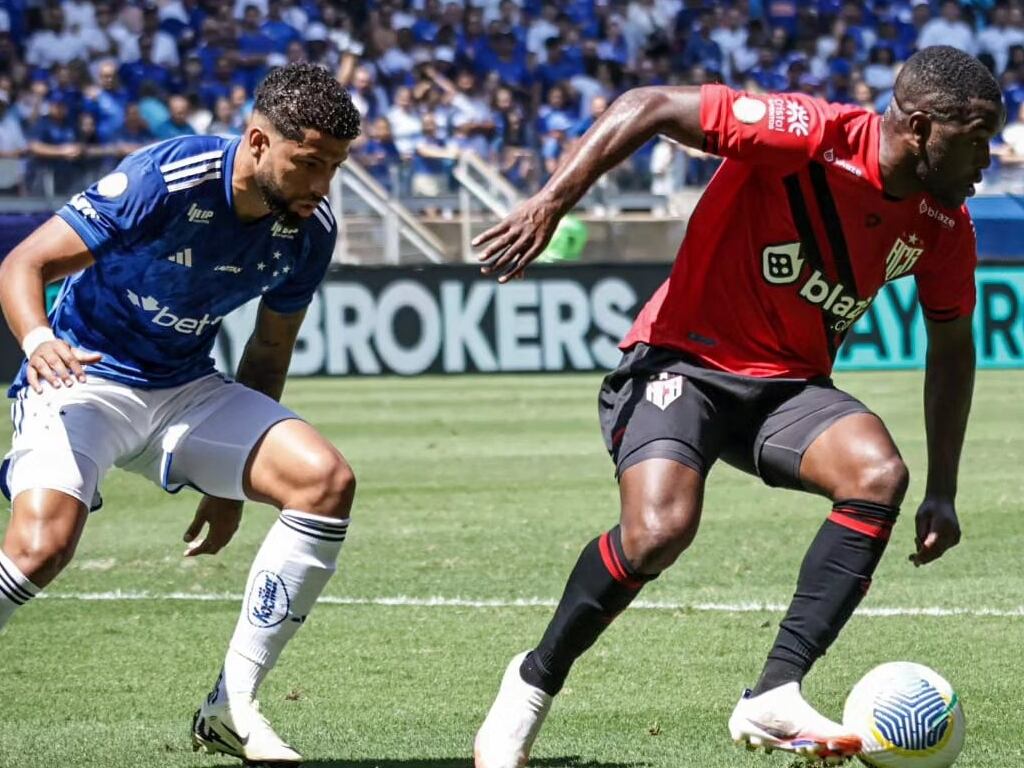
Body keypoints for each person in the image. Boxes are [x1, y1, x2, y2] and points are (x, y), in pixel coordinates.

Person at [472, 45, 1002, 767]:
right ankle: (532, 683)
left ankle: (773, 695)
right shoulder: (808, 136)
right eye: (975, 139)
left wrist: (943, 487)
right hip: (681, 359)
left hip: (786, 390)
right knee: (659, 531)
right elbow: (647, 105)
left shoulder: (945, 225)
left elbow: (952, 347)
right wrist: (549, 201)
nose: (989, 157)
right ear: (917, 127)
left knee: (877, 474)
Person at [0, 63, 361, 766]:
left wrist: (234, 489)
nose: (322, 186)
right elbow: (23, 263)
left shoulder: (309, 230)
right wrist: (39, 340)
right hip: (84, 377)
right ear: (258, 142)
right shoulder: (166, 178)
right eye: (310, 164)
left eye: (335, 168)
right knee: (42, 546)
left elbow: (268, 350)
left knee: (325, 481)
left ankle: (232, 707)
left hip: (187, 390)